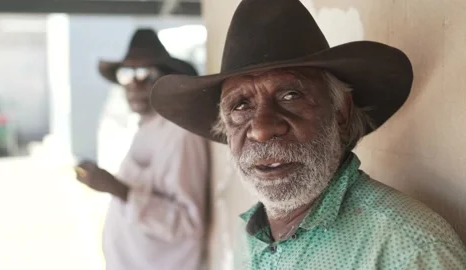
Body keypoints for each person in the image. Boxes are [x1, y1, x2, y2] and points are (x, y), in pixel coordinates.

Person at [149, 0, 466, 269]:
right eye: (241, 105)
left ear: (340, 113)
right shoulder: (251, 232)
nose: (261, 129)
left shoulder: (408, 249)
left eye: (290, 96)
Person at [74, 29, 209, 270]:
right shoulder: (148, 126)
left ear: (166, 79)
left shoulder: (181, 134)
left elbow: (190, 225)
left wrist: (117, 189)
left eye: (146, 74)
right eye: (127, 74)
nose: (135, 84)